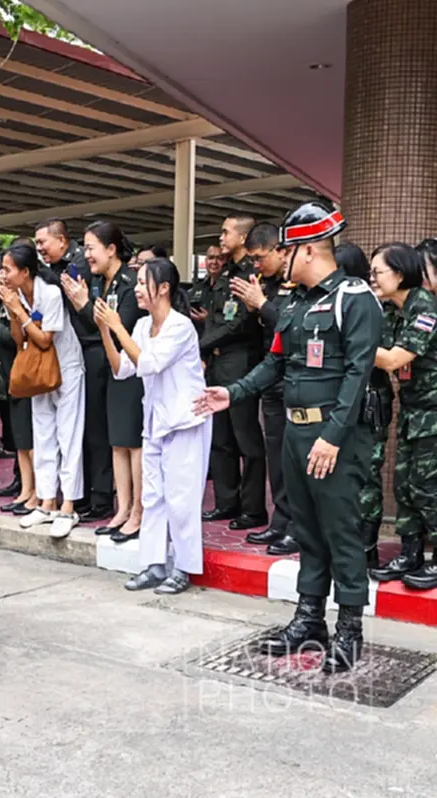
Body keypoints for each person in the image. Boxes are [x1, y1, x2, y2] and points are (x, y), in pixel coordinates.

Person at [194, 201, 381, 673]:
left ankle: (351, 629)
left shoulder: (354, 298)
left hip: (332, 436)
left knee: (340, 532)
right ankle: (309, 618)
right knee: (307, 532)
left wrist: (334, 436)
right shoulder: (295, 304)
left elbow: (359, 373)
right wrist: (231, 393)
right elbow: (275, 363)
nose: (281, 259)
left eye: (288, 250)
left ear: (311, 249)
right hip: (298, 433)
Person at [97, 258, 211, 594]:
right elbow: (122, 369)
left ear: (163, 288)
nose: (136, 289)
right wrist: (105, 330)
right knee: (153, 495)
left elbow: (148, 363)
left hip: (185, 420)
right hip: (156, 420)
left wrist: (116, 326)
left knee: (181, 498)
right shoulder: (143, 327)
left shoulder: (180, 327)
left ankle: (184, 567)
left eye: (142, 282)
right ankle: (155, 564)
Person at [63, 221, 145, 543]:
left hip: (131, 369)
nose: (87, 255)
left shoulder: (130, 282)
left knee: (131, 441)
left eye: (91, 248)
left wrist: (84, 304)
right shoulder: (101, 283)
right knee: (114, 441)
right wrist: (83, 304)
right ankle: (121, 509)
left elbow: (119, 327)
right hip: (108, 368)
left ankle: (137, 510)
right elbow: (95, 326)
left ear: (111, 249)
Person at [365, 243, 437, 588]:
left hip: (434, 413)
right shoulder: (393, 309)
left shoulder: (424, 307)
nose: (373, 278)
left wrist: (355, 343)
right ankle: (409, 553)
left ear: (400, 272)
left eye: (378, 272)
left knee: (428, 487)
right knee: (406, 485)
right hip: (413, 410)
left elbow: (394, 359)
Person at [230, 222, 299, 556]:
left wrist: (262, 305)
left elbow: (290, 326)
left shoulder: (295, 284)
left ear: (279, 250)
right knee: (276, 457)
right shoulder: (266, 284)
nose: (256, 265)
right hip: (270, 378)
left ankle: (295, 526)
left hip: (293, 381)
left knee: (292, 458)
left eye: (259, 258)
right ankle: (280, 521)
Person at [40, 218, 113, 522]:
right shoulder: (62, 266)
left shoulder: (78, 265)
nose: (41, 248)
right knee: (77, 432)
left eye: (43, 242)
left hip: (93, 349)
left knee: (94, 429)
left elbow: (75, 300)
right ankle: (80, 494)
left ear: (60, 240)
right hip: (73, 351)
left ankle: (100, 495)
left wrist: (39, 268)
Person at [13, 244, 87, 538]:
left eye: (7, 269)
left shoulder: (51, 293)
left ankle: (68, 505)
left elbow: (44, 339)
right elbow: (19, 340)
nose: (3, 275)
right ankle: (46, 502)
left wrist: (19, 311)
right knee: (42, 434)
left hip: (65, 368)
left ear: (25, 271)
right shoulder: (18, 294)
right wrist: (13, 310)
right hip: (39, 371)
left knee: (68, 435)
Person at [201, 214, 267, 531]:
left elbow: (239, 322)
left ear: (243, 237)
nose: (221, 236)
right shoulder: (225, 271)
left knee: (246, 439)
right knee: (220, 437)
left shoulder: (250, 273)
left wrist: (199, 343)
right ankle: (227, 503)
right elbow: (216, 317)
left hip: (240, 361)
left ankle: (253, 509)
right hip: (216, 361)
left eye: (226, 232)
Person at [334, 243, 387, 568]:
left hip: (368, 404)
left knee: (367, 479)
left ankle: (366, 551)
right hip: (345, 404)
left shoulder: (367, 304)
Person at [0, 249, 40, 516]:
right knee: (19, 439)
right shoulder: (1, 301)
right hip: (10, 377)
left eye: (3, 270)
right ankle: (25, 489)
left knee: (29, 437)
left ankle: (36, 491)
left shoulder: (21, 300)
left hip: (27, 376)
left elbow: (13, 338)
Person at [187, 246, 225, 335]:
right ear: (205, 261)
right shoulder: (197, 287)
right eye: (211, 258)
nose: (214, 262)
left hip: (218, 340)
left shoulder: (229, 287)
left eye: (219, 258)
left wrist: (209, 319)